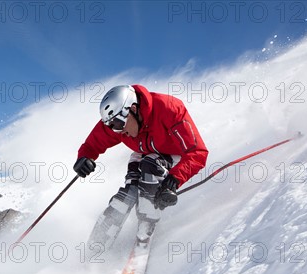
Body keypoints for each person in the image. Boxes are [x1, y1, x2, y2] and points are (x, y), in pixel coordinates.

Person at [73, 84, 208, 251]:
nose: (118, 131)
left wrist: (174, 181)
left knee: (150, 167)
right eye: (112, 125)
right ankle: (95, 247)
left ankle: (147, 225)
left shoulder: (169, 109)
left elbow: (198, 152)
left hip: (176, 155)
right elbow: (92, 144)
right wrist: (84, 158)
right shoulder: (119, 123)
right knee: (129, 192)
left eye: (119, 123)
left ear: (134, 109)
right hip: (145, 153)